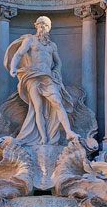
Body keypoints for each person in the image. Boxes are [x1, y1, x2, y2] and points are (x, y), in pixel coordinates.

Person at [5, 15, 79, 146]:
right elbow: (18, 54)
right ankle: (43, 138)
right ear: (36, 26)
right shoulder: (30, 40)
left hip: (47, 77)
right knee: (37, 108)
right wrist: (13, 68)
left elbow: (58, 62)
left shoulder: (52, 46)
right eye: (40, 24)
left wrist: (56, 72)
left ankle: (68, 131)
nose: (42, 27)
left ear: (49, 28)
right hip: (32, 77)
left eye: (45, 25)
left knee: (57, 102)